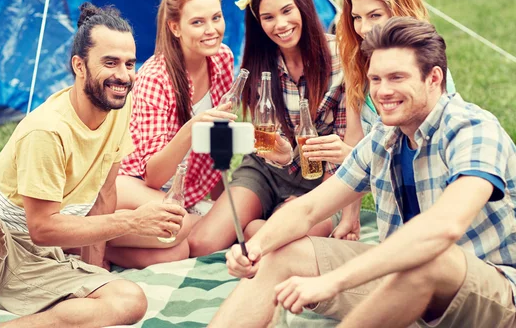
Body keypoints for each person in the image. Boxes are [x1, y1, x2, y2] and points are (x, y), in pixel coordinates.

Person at [211, 17, 516, 328]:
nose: (383, 91)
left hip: (492, 297)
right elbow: (309, 208)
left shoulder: (474, 130)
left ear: (434, 78)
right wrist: (256, 248)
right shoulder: (384, 139)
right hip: (405, 286)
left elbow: (443, 228)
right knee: (284, 251)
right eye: (376, 79)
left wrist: (335, 281)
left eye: (397, 77)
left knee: (428, 259)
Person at [0, 2, 188, 328]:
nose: (123, 76)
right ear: (79, 66)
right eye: (110, 63)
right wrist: (132, 221)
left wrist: (94, 273)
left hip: (37, 262)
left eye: (129, 63)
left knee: (129, 300)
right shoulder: (48, 130)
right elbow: (43, 229)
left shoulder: (120, 107)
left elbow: (104, 196)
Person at [189, 0, 361, 258]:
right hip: (267, 170)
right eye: (268, 17)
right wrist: (277, 152)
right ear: (258, 22)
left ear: (303, 7)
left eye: (286, 11)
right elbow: (263, 135)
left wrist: (348, 215)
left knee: (286, 237)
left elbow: (348, 142)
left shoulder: (340, 57)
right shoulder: (260, 63)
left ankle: (260, 226)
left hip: (322, 177)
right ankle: (262, 223)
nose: (280, 24)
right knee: (203, 244)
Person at [114, 0, 236, 264]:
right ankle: (95, 231)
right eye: (197, 22)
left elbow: (220, 138)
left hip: (184, 188)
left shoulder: (222, 59)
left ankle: (109, 245)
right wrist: (192, 128)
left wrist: (222, 197)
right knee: (182, 226)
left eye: (216, 18)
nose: (211, 30)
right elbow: (153, 176)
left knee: (180, 249)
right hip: (133, 183)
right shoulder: (155, 77)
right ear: (175, 27)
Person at [328, 0, 457, 153]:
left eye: (374, 15)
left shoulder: (427, 68)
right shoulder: (355, 60)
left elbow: (431, 150)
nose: (364, 28)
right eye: (357, 17)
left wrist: (354, 158)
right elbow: (354, 138)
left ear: (399, 12)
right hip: (369, 177)